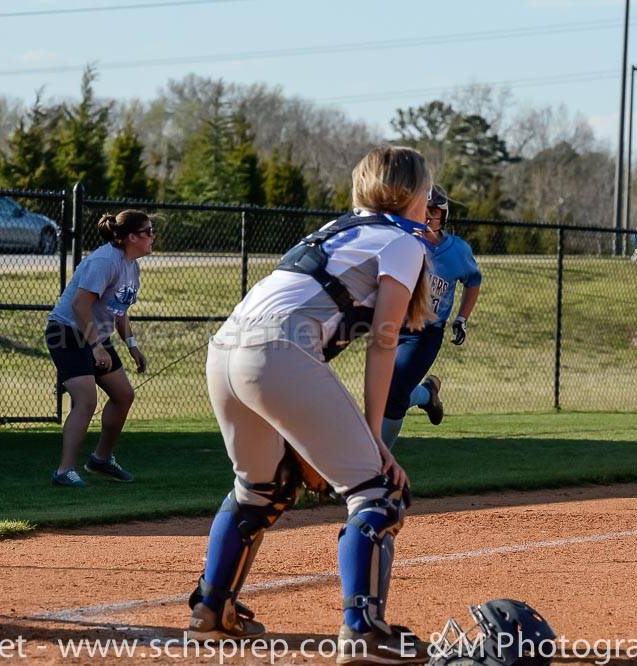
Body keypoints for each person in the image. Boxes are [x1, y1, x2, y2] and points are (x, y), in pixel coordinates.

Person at [187, 146, 435, 664]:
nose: (430, 200)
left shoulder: (339, 229)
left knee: (261, 488)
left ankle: (212, 610)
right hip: (276, 350)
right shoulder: (400, 241)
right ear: (411, 193)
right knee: (378, 491)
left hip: (225, 349)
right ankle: (363, 632)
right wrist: (373, 441)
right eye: (427, 189)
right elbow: (384, 340)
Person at [45, 210, 153, 488]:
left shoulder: (131, 266)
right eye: (148, 232)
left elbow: (119, 311)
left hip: (92, 335)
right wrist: (96, 347)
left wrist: (132, 346)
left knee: (124, 395)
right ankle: (64, 471)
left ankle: (100, 460)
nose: (153, 237)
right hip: (67, 331)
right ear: (131, 237)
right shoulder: (105, 261)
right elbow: (80, 305)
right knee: (86, 400)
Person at [381, 184, 482, 448]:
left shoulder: (457, 251)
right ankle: (427, 395)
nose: (428, 215)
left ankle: (380, 463)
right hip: (393, 325)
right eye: (423, 209)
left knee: (392, 395)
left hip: (424, 334)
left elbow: (473, 280)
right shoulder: (405, 241)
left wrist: (461, 318)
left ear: (444, 215)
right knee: (385, 391)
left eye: (434, 210)